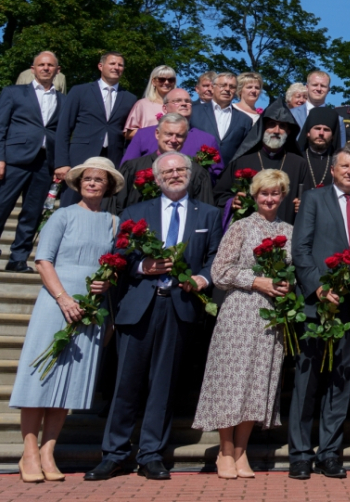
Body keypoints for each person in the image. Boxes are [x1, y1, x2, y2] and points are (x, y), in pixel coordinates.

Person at [86, 152, 222, 481]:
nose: (175, 175)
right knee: (126, 384)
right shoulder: (136, 213)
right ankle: (115, 453)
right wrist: (141, 266)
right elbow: (119, 255)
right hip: (139, 306)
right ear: (157, 179)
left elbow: (215, 257)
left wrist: (203, 278)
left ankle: (151, 454)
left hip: (179, 306)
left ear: (190, 174)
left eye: (180, 169)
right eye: (168, 172)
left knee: (164, 384)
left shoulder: (209, 214)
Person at [9, 157, 120, 483]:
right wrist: (63, 298)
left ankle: (48, 451)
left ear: (108, 187)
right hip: (56, 301)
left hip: (90, 308)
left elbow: (113, 266)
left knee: (69, 381)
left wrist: (107, 282)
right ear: (79, 183)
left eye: (99, 180)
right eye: (88, 178)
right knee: (40, 378)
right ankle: (29, 451)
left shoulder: (113, 222)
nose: (92, 183)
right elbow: (43, 261)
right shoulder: (62, 215)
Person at [191, 169, 295, 479]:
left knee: (257, 381)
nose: (269, 199)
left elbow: (293, 270)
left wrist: (286, 284)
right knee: (231, 381)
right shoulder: (240, 227)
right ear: (254, 195)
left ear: (283, 196)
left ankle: (241, 451)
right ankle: (224, 451)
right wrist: (257, 281)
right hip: (239, 311)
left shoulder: (289, 230)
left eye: (275, 193)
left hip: (271, 317)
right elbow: (220, 272)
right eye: (264, 193)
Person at [288, 146, 350, 480]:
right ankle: (300, 454)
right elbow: (300, 248)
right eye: (345, 165)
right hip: (316, 305)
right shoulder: (313, 199)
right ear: (333, 169)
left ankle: (329, 453)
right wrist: (317, 288)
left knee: (340, 383)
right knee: (307, 382)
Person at [0, 51, 62, 273]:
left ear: (57, 70)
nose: (46, 68)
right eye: (41, 64)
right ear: (33, 69)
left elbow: (62, 134)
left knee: (32, 213)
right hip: (13, 161)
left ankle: (18, 258)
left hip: (44, 163)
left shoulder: (63, 100)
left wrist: (60, 164)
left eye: (50, 65)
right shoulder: (13, 93)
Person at [216, 102, 305, 224]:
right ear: (262, 128)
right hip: (249, 230)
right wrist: (232, 201)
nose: (276, 131)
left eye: (282, 126)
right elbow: (219, 195)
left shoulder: (299, 164)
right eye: (271, 125)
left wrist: (304, 204)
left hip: (286, 230)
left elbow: (310, 198)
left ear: (288, 131)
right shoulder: (242, 161)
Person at [56, 52, 138, 182]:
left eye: (120, 65)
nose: (116, 67)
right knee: (74, 194)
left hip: (113, 159)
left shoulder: (130, 98)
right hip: (80, 156)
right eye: (112, 63)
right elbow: (63, 128)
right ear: (100, 66)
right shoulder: (79, 91)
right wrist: (61, 163)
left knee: (107, 194)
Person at [116, 114, 216, 213]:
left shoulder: (197, 173)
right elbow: (118, 207)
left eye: (179, 135)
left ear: (185, 138)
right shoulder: (133, 168)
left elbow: (205, 213)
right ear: (157, 134)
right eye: (168, 134)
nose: (173, 140)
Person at [123, 88, 224, 177]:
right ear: (164, 108)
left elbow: (216, 174)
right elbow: (127, 169)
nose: (184, 104)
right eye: (177, 101)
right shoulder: (143, 135)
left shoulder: (207, 139)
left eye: (187, 101)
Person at [190, 71, 253, 164]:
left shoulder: (245, 120)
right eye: (223, 85)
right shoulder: (193, 112)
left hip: (229, 171)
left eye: (232, 87)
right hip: (197, 168)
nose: (227, 89)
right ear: (213, 87)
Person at [123, 65, 178, 136]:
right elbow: (128, 133)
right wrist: (153, 133)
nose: (166, 82)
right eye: (162, 79)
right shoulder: (142, 104)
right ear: (153, 82)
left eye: (171, 80)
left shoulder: (179, 106)